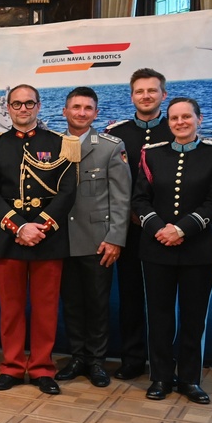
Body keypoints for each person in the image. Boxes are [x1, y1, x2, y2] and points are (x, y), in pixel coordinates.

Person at [0, 84, 78, 395]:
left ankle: (43, 368)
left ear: (39, 105)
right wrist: (19, 227)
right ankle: (13, 366)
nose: (23, 109)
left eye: (28, 103)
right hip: (10, 237)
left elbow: (67, 191)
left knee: (46, 308)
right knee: (12, 308)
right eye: (16, 104)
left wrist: (40, 227)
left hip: (48, 239)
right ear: (8, 108)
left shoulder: (61, 144)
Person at [132, 97, 212, 405]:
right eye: (175, 118)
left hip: (200, 249)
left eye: (187, 116)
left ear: (199, 119)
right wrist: (159, 228)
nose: (180, 122)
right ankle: (160, 377)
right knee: (158, 316)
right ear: (169, 122)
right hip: (157, 246)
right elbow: (139, 200)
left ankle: (189, 379)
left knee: (193, 317)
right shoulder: (152, 155)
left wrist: (181, 229)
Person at [55, 87, 131, 389]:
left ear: (96, 114)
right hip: (61, 239)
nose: (81, 112)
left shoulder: (111, 147)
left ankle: (97, 361)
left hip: (98, 239)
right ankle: (77, 357)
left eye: (88, 108)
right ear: (64, 111)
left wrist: (116, 238)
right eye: (75, 107)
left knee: (98, 303)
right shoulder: (52, 145)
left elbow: (121, 198)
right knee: (71, 302)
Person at [105, 68, 174, 380]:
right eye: (140, 91)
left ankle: (166, 366)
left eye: (152, 90)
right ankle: (133, 360)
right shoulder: (116, 133)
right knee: (131, 297)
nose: (146, 96)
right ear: (131, 95)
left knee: (164, 300)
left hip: (166, 231)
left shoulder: (176, 131)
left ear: (164, 94)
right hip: (129, 229)